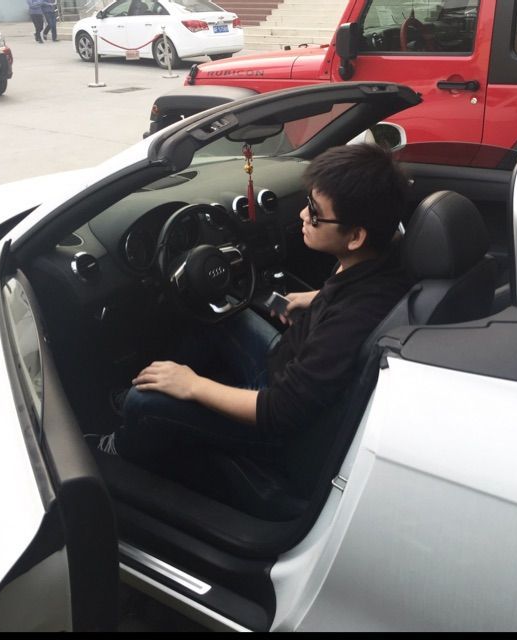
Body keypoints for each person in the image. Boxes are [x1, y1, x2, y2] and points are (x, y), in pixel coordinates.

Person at [95, 143, 412, 496]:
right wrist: (314, 298)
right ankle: (147, 389)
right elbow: (347, 295)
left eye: (315, 212)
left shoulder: (352, 319)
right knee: (223, 315)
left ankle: (120, 446)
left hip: (280, 431)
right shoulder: (384, 259)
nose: (303, 215)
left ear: (355, 237)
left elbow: (280, 411)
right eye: (306, 202)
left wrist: (193, 385)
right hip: (286, 363)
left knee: (145, 404)